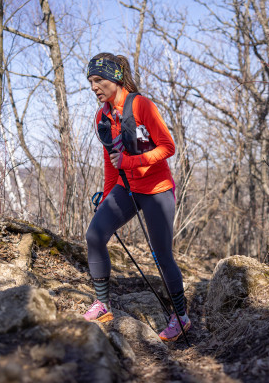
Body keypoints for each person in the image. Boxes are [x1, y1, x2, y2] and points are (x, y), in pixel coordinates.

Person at [83, 52, 191, 342]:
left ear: (115, 78)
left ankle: (181, 317)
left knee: (162, 255)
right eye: (90, 81)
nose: (94, 86)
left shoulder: (141, 105)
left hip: (156, 190)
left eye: (98, 80)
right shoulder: (102, 116)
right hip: (125, 188)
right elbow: (110, 162)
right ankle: (103, 305)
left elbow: (168, 147)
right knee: (94, 236)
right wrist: (107, 197)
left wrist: (131, 163)